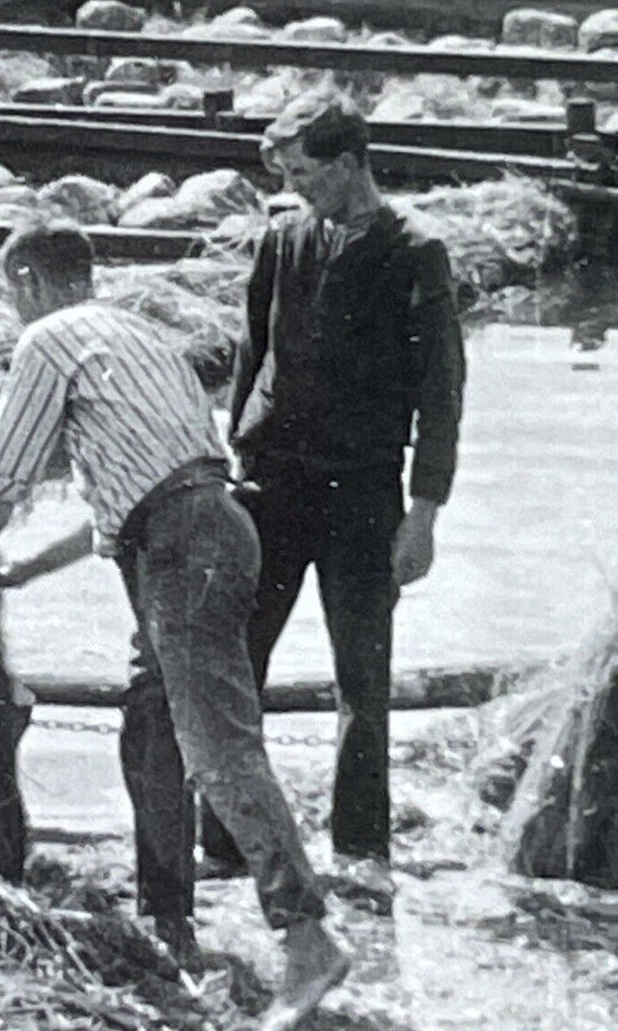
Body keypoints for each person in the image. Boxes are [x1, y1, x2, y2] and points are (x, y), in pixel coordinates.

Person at [0, 220, 347, 1031]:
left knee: (217, 744)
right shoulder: (140, 334)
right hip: (205, 527)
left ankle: (307, 939)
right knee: (150, 725)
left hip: (184, 544)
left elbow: (7, 468)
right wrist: (25, 569)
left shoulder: (50, 338)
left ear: (27, 278)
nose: (8, 311)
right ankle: (168, 922)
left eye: (5, 294)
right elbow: (134, 494)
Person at [203, 90, 466, 903]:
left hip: (361, 491)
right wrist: (229, 456)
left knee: (362, 677)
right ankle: (225, 839)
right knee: (237, 661)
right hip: (270, 482)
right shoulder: (282, 237)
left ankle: (358, 850)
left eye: (306, 172)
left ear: (350, 162)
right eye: (285, 173)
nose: (295, 187)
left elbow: (441, 392)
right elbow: (252, 350)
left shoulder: (415, 252)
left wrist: (422, 516)